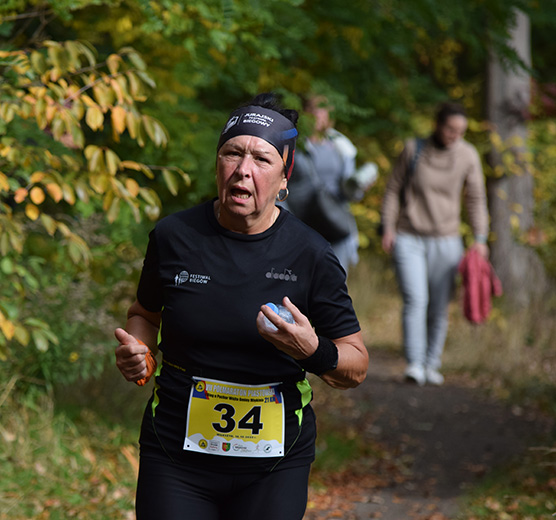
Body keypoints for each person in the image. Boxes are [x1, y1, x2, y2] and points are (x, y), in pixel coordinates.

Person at [113, 93, 369, 520]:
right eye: (232, 153)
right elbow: (144, 313)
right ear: (217, 165)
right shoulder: (174, 237)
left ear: (285, 177)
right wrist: (139, 353)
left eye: (261, 159)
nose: (243, 170)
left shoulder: (311, 254)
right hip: (175, 455)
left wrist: (311, 350)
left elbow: (356, 366)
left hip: (274, 465)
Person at [380, 101, 489, 386]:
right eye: (451, 129)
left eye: (461, 131)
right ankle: (414, 363)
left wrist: (480, 238)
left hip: (447, 240)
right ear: (438, 125)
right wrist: (388, 227)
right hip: (409, 236)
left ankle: (432, 363)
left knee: (439, 306)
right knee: (416, 299)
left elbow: (476, 198)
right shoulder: (413, 149)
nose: (455, 135)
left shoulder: (468, 156)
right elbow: (392, 190)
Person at [283, 95, 377, 272]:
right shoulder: (293, 144)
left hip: (333, 221)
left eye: (322, 110)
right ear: (304, 112)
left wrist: (359, 187)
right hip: (302, 221)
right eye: (313, 109)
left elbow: (350, 193)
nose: (317, 115)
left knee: (334, 278)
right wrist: (282, 221)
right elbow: (280, 183)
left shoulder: (341, 146)